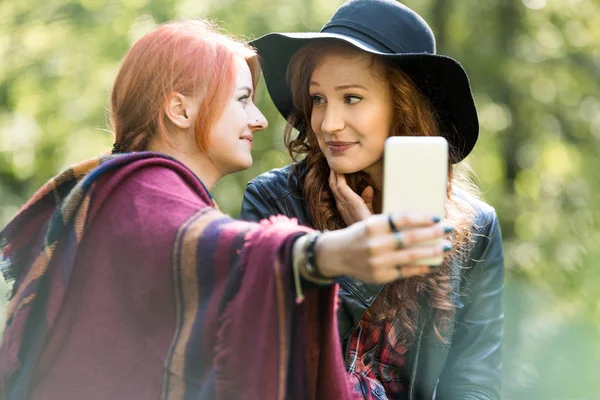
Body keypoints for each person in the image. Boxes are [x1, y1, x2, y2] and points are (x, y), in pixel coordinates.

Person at [0, 19, 451, 400]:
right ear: (180, 109)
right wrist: (330, 254)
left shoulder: (132, 189)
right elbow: (218, 245)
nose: (258, 119)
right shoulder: (139, 193)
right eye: (242, 99)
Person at [241, 1, 504, 399]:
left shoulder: (476, 228)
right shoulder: (276, 202)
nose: (328, 124)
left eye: (351, 98)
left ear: (403, 105)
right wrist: (360, 259)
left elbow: (474, 381)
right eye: (318, 99)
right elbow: (268, 359)